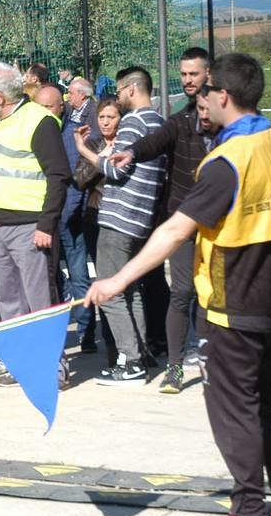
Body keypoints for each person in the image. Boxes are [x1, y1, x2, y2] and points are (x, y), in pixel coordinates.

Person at [86, 52, 271, 516]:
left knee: (233, 407)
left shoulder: (226, 162)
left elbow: (174, 230)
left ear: (224, 96)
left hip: (232, 297)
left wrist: (117, 279)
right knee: (270, 398)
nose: (199, 99)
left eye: (205, 91)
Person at [110, 47, 212, 393]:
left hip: (219, 222)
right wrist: (133, 152)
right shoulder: (181, 120)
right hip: (182, 219)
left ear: (209, 75)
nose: (187, 80)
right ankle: (175, 368)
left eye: (193, 74)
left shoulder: (227, 125)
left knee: (214, 294)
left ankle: (214, 359)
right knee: (182, 291)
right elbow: (156, 141)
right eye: (183, 74)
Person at [0, 62, 71, 390]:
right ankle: (24, 366)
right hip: (1, 227)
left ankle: (53, 369)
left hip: (32, 227)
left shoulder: (39, 122)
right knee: (10, 302)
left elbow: (58, 175)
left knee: (40, 301)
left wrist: (46, 223)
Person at [77, 67, 166, 386]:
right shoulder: (158, 121)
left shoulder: (134, 122)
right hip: (142, 218)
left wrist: (85, 151)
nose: (118, 96)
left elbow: (116, 172)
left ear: (131, 89)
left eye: (119, 90)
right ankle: (141, 353)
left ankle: (129, 360)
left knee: (109, 291)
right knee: (132, 289)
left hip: (119, 219)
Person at [72, 96, 121, 360]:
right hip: (96, 219)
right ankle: (111, 343)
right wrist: (98, 159)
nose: (105, 122)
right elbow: (79, 180)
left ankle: (134, 342)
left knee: (128, 282)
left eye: (111, 117)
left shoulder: (128, 143)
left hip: (124, 219)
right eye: (102, 117)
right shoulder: (93, 144)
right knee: (104, 279)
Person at [56, 77, 95, 352]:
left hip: (69, 218)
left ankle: (87, 332)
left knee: (79, 276)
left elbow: (77, 177)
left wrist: (69, 212)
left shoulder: (73, 132)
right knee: (57, 279)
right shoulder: (58, 129)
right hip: (55, 217)